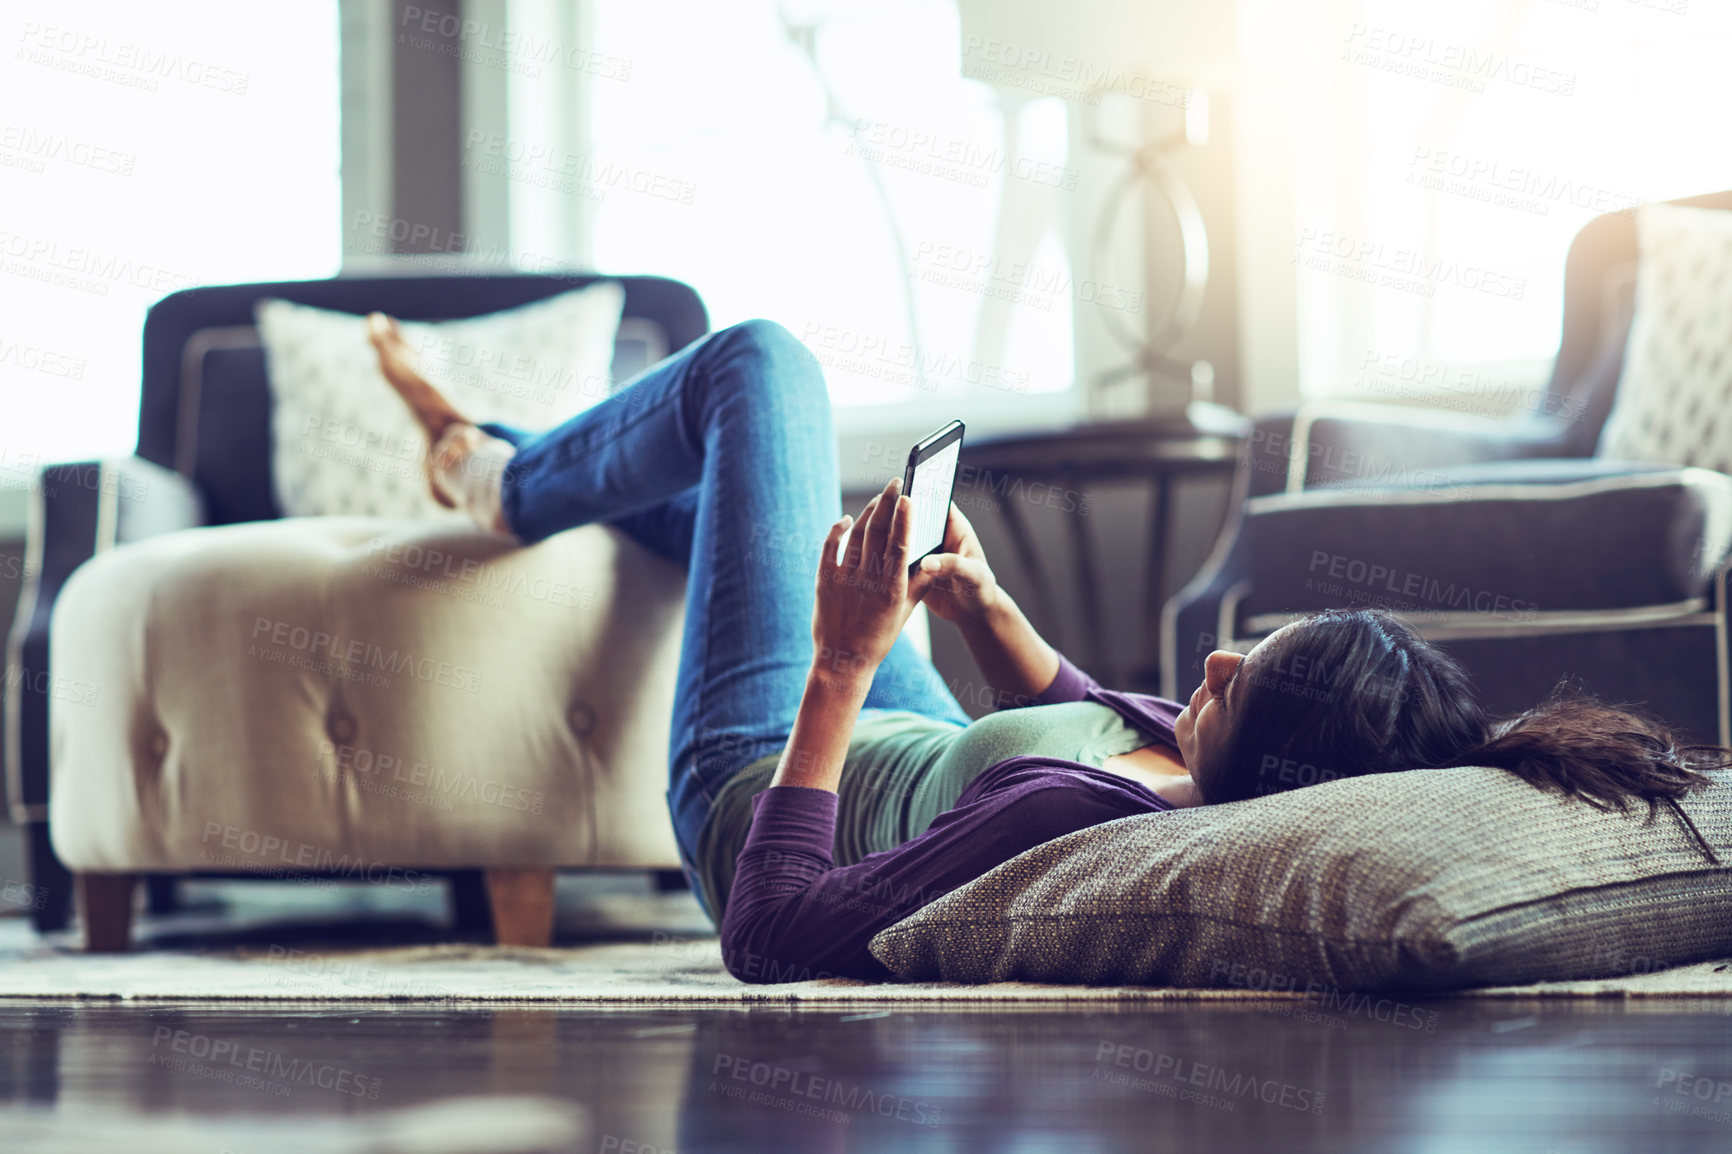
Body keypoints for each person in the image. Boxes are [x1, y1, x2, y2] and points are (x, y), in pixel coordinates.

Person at [366, 314, 1727, 985]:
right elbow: (1087, 715)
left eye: (1237, 679)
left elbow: (769, 934)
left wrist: (839, 667)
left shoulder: (1069, 814)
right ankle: (499, 458)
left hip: (758, 782)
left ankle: (492, 474)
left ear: (1270, 760)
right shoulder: (1194, 770)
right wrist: (992, 614)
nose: (1212, 661)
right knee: (765, 509)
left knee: (758, 371)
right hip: (916, 734)